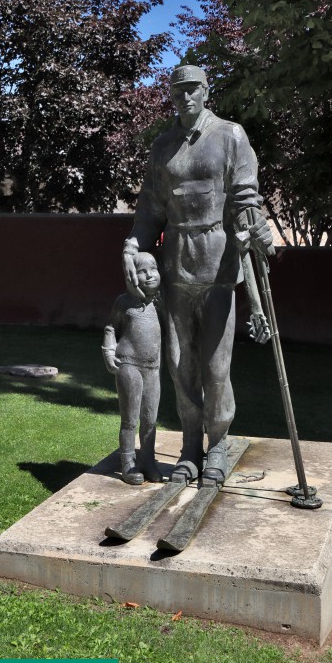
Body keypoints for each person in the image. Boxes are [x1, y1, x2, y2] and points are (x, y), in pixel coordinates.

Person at [122, 65, 273, 483]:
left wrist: (256, 227)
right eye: (178, 91)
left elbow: (245, 197)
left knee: (215, 366)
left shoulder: (230, 135)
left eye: (193, 90)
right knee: (178, 363)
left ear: (206, 91)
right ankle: (190, 446)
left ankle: (218, 443)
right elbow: (150, 212)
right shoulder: (162, 146)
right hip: (174, 270)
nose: (185, 98)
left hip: (219, 267)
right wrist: (133, 245)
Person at [102, 252, 163, 485]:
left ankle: (148, 461)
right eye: (141, 271)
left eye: (153, 269)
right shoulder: (124, 302)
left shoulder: (160, 302)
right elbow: (110, 328)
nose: (149, 276)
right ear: (131, 275)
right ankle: (128, 463)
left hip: (153, 367)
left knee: (150, 419)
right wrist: (108, 352)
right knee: (130, 418)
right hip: (129, 364)